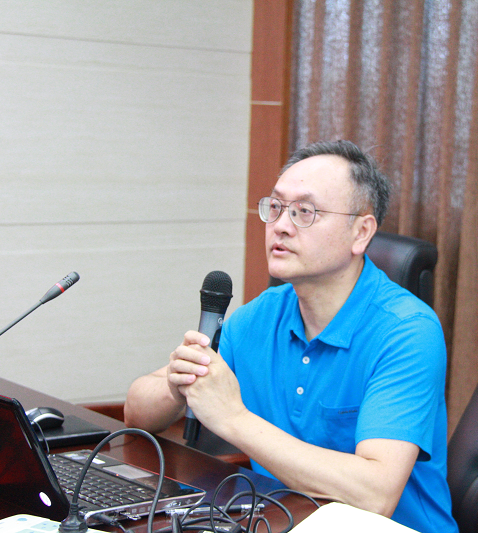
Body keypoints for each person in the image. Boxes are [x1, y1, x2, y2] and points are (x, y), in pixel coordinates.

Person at [124, 140, 458, 533]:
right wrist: (174, 384)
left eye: (304, 212)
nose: (280, 225)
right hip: (281, 522)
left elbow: (376, 494)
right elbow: (136, 414)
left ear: (361, 232)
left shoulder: (407, 331)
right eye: (277, 207)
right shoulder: (259, 316)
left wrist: (233, 419)